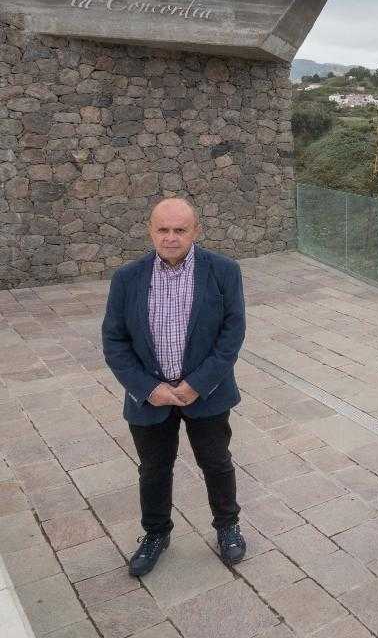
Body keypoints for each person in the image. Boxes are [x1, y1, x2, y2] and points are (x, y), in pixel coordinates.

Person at [102, 197, 247, 577]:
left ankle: (227, 526)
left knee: (216, 462)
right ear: (150, 231)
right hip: (150, 398)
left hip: (206, 393)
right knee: (153, 469)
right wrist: (150, 389)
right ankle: (156, 534)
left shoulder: (223, 271)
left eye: (180, 230)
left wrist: (197, 384)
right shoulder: (127, 278)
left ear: (195, 231)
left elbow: (232, 334)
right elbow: (114, 341)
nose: (170, 237)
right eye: (163, 230)